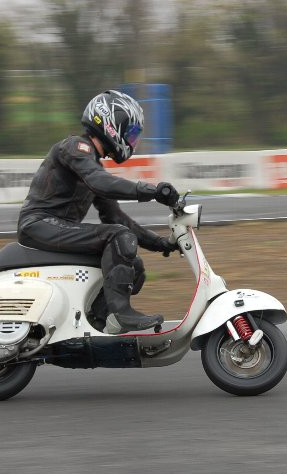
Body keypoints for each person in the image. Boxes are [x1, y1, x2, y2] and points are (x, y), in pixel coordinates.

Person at [17, 90, 179, 334]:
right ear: (110, 123)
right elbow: (100, 182)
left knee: (133, 266)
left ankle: (97, 324)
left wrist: (160, 243)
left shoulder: (91, 165)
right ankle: (120, 313)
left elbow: (116, 217)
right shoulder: (75, 147)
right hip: (38, 224)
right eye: (130, 133)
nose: (132, 140)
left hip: (55, 227)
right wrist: (151, 191)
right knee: (119, 236)